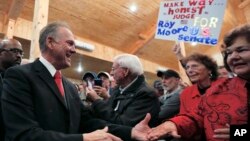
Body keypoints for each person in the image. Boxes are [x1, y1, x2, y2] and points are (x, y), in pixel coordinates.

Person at [1, 21, 150, 141]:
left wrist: (131, 132)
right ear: (50, 42)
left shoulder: (69, 87)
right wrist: (83, 138)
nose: (74, 50)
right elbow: (23, 134)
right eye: (70, 43)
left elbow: (87, 122)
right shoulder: (19, 76)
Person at [147, 24, 250, 141]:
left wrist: (239, 133)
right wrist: (173, 124)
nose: (233, 57)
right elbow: (198, 115)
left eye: (241, 50)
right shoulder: (220, 88)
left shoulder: (217, 83)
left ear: (209, 69)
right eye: (229, 53)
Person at [149, 53, 219, 141]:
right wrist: (173, 125)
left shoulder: (227, 88)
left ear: (209, 69)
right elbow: (185, 119)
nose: (189, 70)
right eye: (187, 68)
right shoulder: (186, 93)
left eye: (194, 66)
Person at [86, 54, 160, 127]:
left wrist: (97, 100)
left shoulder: (146, 94)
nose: (111, 73)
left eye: (113, 69)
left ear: (125, 71)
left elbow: (122, 124)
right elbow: (108, 110)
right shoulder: (118, 89)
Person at [0, 38, 23, 141]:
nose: (19, 56)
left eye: (21, 52)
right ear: (1, 53)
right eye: (14, 51)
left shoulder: (20, 80)